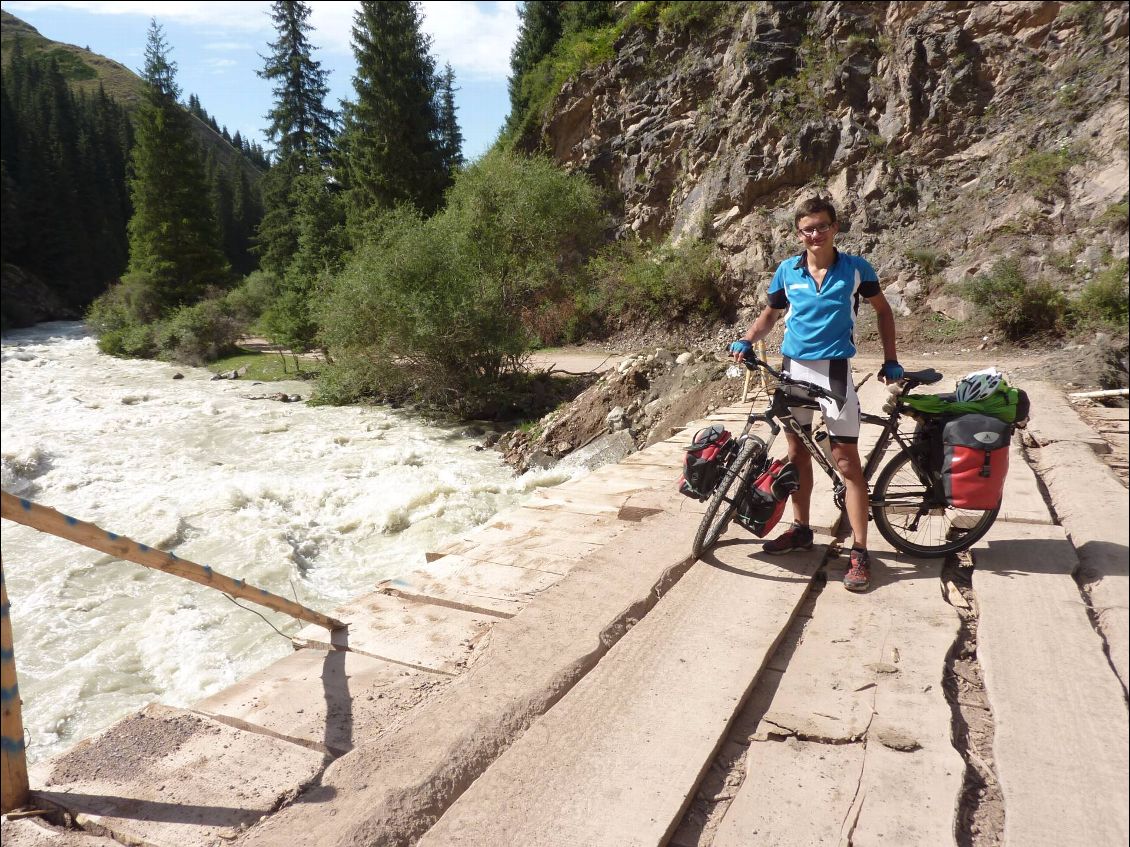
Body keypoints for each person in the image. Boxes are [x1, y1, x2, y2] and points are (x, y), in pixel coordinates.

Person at [729, 197, 902, 592]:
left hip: (835, 373)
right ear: (799, 232)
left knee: (846, 462)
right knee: (796, 453)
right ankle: (801, 528)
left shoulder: (856, 269)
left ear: (835, 227)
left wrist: (891, 359)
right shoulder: (787, 271)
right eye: (808, 228)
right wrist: (747, 339)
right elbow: (771, 314)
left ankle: (859, 552)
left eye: (822, 226)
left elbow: (883, 311)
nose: (815, 234)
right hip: (794, 369)